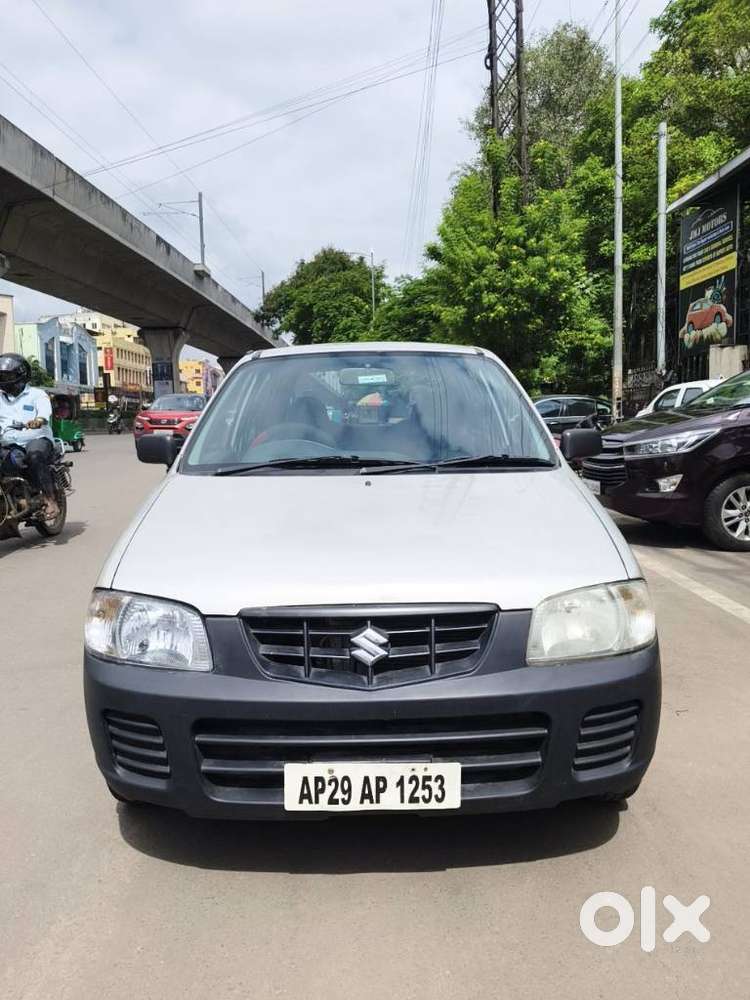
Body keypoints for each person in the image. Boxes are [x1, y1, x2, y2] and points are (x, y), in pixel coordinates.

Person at [0, 354, 58, 517]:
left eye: (7, 375)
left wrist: (39, 419)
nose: (3, 379)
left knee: (34, 455)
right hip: (9, 442)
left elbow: (45, 410)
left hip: (36, 438)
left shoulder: (37, 394)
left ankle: (49, 499)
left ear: (21, 374)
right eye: (1, 375)